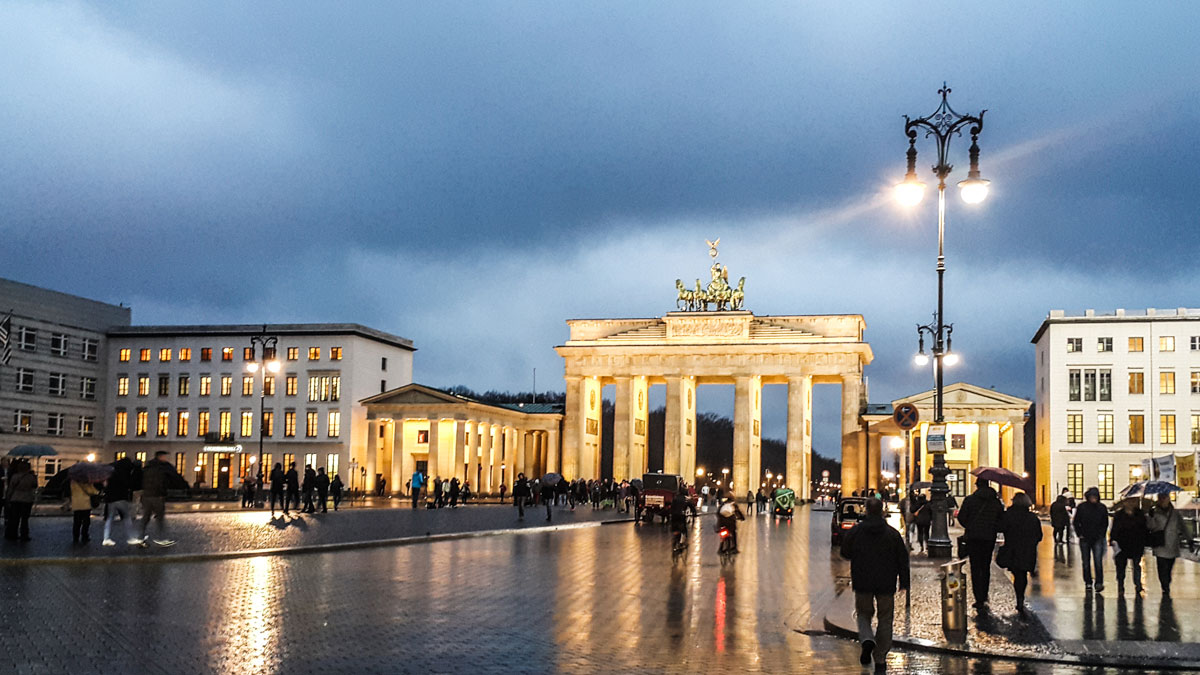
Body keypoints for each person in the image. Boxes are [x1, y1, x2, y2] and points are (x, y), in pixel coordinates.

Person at [840, 497, 910, 670]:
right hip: (886, 583)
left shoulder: (856, 531)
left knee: (863, 614)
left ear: (866, 510)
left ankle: (867, 640)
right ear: (881, 511)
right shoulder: (892, 534)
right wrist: (904, 582)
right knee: (885, 618)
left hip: (863, 581)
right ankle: (880, 658)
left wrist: (857, 556)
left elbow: (845, 552)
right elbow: (903, 559)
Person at [956, 478, 1005, 610]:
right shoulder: (995, 502)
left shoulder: (970, 500)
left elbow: (961, 517)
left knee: (975, 567)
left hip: (973, 537)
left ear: (977, 485)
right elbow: (1001, 520)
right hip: (989, 538)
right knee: (985, 567)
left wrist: (970, 526)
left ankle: (978, 597)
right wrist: (993, 528)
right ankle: (984, 594)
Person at [997, 492, 1042, 617]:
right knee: (1022, 574)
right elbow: (1039, 536)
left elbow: (1000, 527)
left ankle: (1019, 598)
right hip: (1027, 550)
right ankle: (1020, 598)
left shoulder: (1009, 515)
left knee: (1017, 574)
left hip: (1013, 548)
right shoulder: (1032, 518)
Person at [1148, 492, 1192, 597]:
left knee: (1169, 567)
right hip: (1160, 544)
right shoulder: (1154, 512)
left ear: (1168, 499)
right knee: (1162, 567)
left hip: (1172, 544)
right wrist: (1150, 517)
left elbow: (1183, 526)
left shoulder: (1175, 513)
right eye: (1161, 498)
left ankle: (1167, 582)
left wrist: (1189, 539)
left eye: (1165, 497)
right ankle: (1165, 585)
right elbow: (1150, 527)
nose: (1163, 500)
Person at [139, 450, 179, 547]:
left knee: (145, 518)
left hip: (146, 495)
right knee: (160, 518)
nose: (166, 458)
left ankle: (140, 538)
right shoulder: (162, 468)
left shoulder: (148, 466)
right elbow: (164, 481)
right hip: (157, 496)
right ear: (160, 457)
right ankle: (161, 539)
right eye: (164, 457)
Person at [1073, 487, 1109, 592]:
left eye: (1095, 497)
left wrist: (1101, 534)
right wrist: (1079, 533)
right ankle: (1088, 582)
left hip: (1097, 538)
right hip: (1085, 538)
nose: (1093, 498)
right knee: (1086, 562)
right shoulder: (1082, 507)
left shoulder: (1102, 508)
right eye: (1092, 496)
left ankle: (1099, 582)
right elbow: (1076, 522)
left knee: (1098, 561)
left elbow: (1105, 523)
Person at [1109, 497, 1148, 596]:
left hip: (1136, 544)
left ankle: (1138, 585)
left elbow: (1144, 529)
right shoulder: (1119, 515)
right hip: (1122, 545)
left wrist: (1144, 541)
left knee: (1136, 565)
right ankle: (1121, 585)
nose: (1131, 503)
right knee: (1121, 567)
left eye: (1133, 501)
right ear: (1124, 502)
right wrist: (1113, 540)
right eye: (1129, 501)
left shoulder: (1140, 514)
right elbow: (1114, 529)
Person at [102, 456, 141, 546]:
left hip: (111, 498)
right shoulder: (124, 473)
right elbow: (128, 484)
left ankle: (106, 538)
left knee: (109, 518)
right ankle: (131, 537)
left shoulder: (111, 472)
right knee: (127, 518)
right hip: (120, 498)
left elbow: (106, 486)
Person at [3, 459, 37, 542]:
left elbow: (11, 488)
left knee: (15, 518)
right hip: (27, 499)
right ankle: (24, 535)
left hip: (16, 498)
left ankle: (13, 534)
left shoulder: (15, 476)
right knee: (25, 519)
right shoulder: (31, 477)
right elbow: (35, 486)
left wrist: (8, 498)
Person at [69, 476, 99, 544]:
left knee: (76, 521)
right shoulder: (85, 481)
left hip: (76, 503)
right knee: (86, 521)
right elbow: (90, 491)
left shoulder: (73, 480)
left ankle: (75, 537)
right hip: (85, 503)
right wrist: (96, 491)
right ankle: (84, 536)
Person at [669, 485, 697, 550]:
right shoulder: (686, 499)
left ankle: (675, 542)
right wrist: (694, 513)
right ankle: (684, 541)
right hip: (681, 516)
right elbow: (691, 507)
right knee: (684, 529)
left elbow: (672, 507)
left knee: (675, 528)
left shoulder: (675, 498)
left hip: (674, 516)